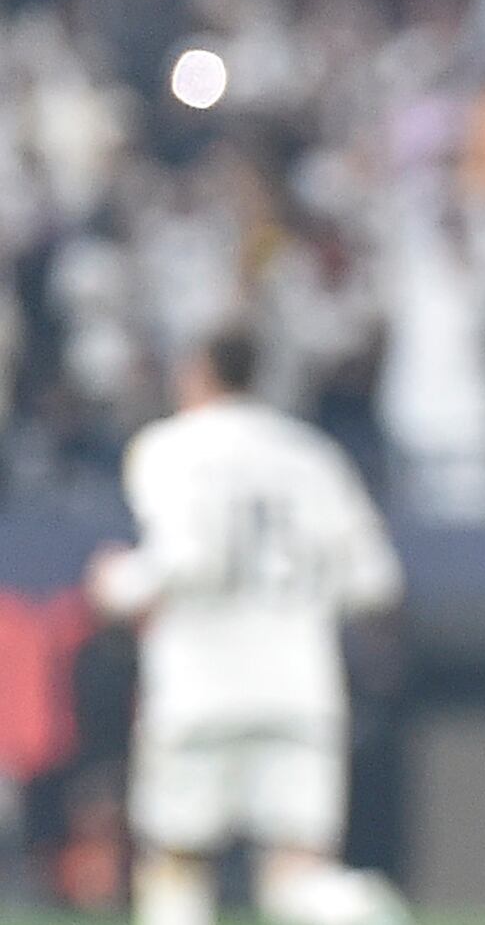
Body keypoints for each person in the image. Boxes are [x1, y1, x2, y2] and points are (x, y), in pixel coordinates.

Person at [85, 335, 409, 925]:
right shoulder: (311, 455)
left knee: (175, 867)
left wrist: (116, 583)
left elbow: (189, 556)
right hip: (300, 687)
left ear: (198, 371)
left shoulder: (170, 447)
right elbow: (374, 581)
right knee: (297, 877)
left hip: (198, 686)